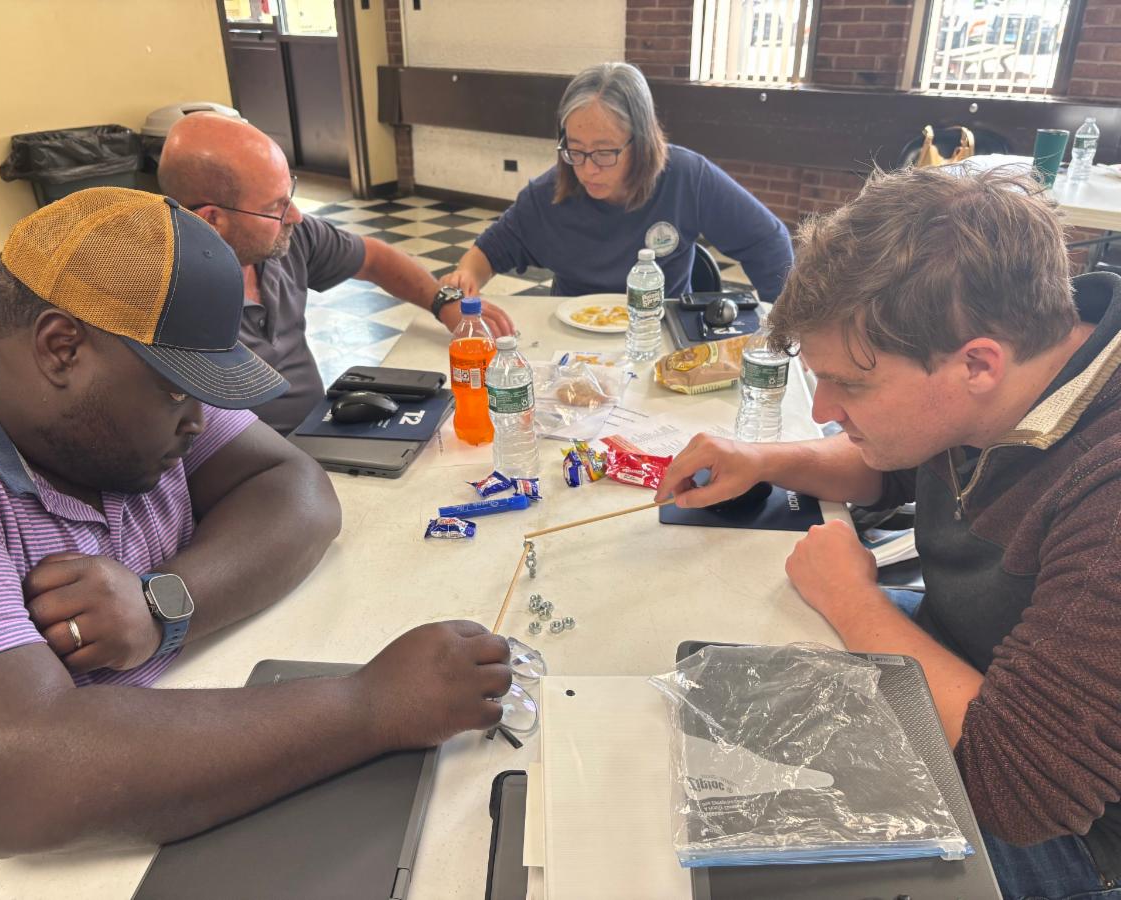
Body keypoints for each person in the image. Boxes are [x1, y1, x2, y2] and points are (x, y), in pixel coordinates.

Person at [0, 188, 510, 899]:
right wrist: (369, 707)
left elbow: (296, 486)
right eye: (179, 393)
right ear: (60, 347)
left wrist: (163, 606)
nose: (201, 422)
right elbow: (13, 773)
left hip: (178, 763)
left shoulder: (104, 369)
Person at [656, 165, 1121, 900]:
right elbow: (902, 464)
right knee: (699, 682)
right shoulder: (1019, 364)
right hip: (968, 671)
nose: (822, 411)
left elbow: (1022, 791)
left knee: (709, 846)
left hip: (1072, 830)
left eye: (853, 385)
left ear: (977, 365)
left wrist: (855, 600)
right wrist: (764, 459)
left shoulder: (1108, 492)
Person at [158, 113, 515, 434]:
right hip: (256, 472)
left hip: (321, 431)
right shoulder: (163, 300)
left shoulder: (286, 238)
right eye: (276, 207)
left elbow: (373, 258)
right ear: (211, 220)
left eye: (290, 194)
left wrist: (443, 301)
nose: (295, 215)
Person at [440, 62, 793, 302]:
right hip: (572, 347)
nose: (588, 169)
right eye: (575, 150)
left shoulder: (685, 176)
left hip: (660, 341)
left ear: (640, 142)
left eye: (605, 152)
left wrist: (779, 325)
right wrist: (466, 276)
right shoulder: (547, 194)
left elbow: (768, 241)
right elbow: (488, 252)